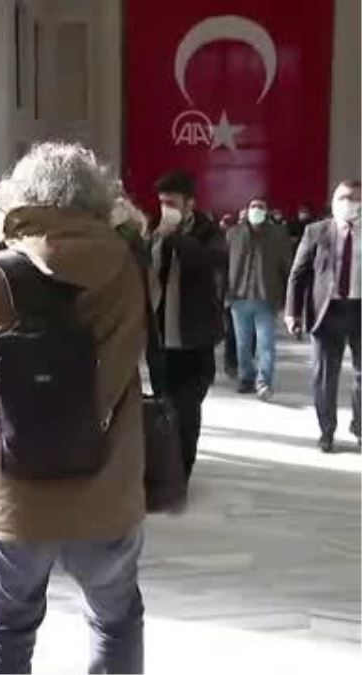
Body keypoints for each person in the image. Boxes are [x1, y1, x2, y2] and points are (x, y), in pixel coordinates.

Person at [0, 141, 147, 675]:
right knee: (115, 622)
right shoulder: (128, 262)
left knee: (4, 636)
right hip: (106, 486)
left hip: (13, 493)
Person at [150, 170, 226, 479]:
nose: (165, 209)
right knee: (163, 408)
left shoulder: (210, 233)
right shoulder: (158, 234)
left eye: (172, 202)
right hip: (160, 339)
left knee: (187, 409)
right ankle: (166, 468)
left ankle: (183, 470)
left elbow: (209, 267)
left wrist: (176, 237)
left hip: (194, 340)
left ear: (190, 204)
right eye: (161, 203)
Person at [286, 180, 362, 453]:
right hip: (328, 311)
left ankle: (360, 425)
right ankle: (326, 430)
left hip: (359, 308)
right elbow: (298, 274)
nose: (348, 203)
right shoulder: (316, 231)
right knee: (325, 376)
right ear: (333, 200)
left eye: (355, 198)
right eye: (343, 197)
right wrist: (292, 312)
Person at [225, 197, 292, 400]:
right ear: (247, 209)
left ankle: (264, 382)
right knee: (242, 343)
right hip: (239, 296)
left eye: (261, 207)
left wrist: (288, 296)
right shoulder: (233, 233)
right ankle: (246, 377)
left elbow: (286, 265)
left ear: (267, 211)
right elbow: (224, 263)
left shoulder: (278, 235)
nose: (256, 210)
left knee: (266, 343)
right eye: (253, 206)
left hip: (266, 297)